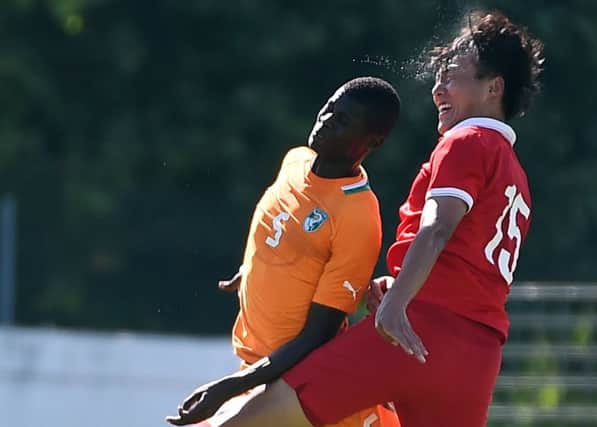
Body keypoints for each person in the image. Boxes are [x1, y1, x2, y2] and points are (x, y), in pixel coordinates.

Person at [165, 10, 545, 427]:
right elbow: (470, 263)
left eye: (452, 76)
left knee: (256, 417)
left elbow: (437, 228)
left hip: (413, 331)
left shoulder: (467, 141)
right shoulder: (517, 175)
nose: (438, 89)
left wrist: (396, 305)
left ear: (494, 88)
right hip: (477, 356)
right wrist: (400, 284)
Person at [166, 76, 402, 427]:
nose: (324, 121)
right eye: (329, 108)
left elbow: (317, 337)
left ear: (373, 141)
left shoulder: (358, 216)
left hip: (296, 384)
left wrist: (228, 388)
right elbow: (282, 235)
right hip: (258, 373)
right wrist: (255, 270)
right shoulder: (296, 161)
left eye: (342, 121)